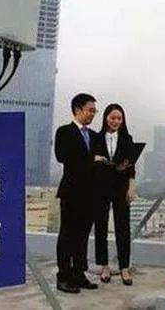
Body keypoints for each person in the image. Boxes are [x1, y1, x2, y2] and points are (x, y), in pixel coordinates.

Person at [54, 93, 100, 294]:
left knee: (82, 236)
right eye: (90, 110)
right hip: (71, 192)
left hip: (90, 194)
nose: (93, 114)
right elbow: (62, 156)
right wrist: (91, 160)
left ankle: (79, 273)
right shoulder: (64, 132)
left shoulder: (95, 136)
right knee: (67, 235)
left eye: (95, 111)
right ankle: (63, 276)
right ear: (78, 109)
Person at [93, 103, 138, 286]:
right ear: (106, 118)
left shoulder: (127, 139)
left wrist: (131, 185)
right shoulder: (96, 138)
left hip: (121, 187)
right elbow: (90, 161)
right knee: (101, 227)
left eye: (119, 118)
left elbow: (131, 165)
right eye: (113, 117)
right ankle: (104, 266)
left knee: (123, 228)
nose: (116, 121)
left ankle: (124, 267)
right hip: (100, 187)